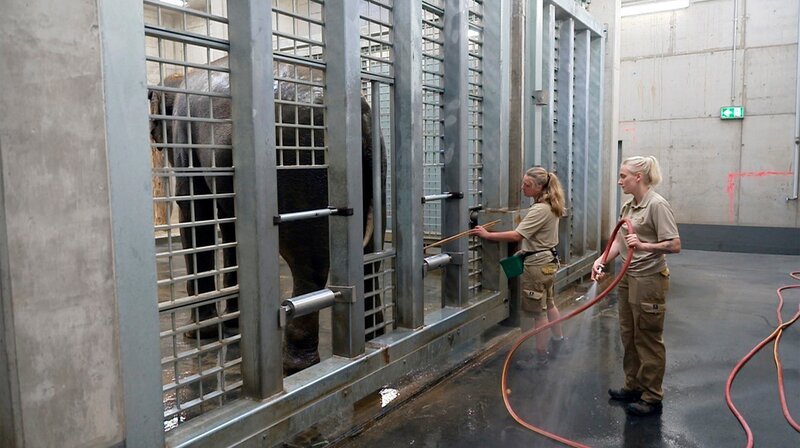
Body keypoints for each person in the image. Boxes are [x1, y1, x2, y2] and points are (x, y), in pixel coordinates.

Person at [591, 155, 681, 417]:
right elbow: (619, 244)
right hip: (628, 278)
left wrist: (644, 246)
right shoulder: (629, 207)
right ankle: (634, 386)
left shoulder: (657, 205)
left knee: (648, 338)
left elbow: (674, 244)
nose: (620, 181)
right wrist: (600, 260)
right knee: (628, 335)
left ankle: (652, 397)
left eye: (623, 176)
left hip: (649, 281)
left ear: (638, 177)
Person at [470, 166, 567, 368]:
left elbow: (517, 235)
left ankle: (541, 356)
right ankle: (558, 342)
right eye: (523, 183)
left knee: (537, 313)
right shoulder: (552, 204)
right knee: (549, 303)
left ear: (540, 187)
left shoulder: (540, 209)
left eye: (527, 185)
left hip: (537, 266)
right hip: (547, 261)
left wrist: (488, 235)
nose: (522, 187)